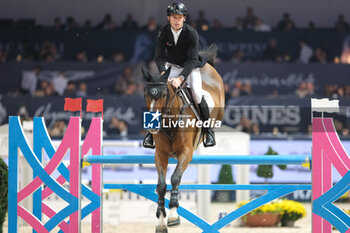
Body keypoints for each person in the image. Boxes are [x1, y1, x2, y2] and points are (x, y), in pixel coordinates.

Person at [143, 2, 216, 148]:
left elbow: (191, 60)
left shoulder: (191, 34)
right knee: (158, 93)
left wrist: (181, 78)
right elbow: (159, 57)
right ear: (168, 18)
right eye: (174, 17)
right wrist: (163, 72)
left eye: (179, 17)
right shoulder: (163, 33)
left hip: (190, 68)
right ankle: (151, 134)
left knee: (196, 94)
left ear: (184, 18)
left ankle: (208, 131)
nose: (177, 20)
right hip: (170, 67)